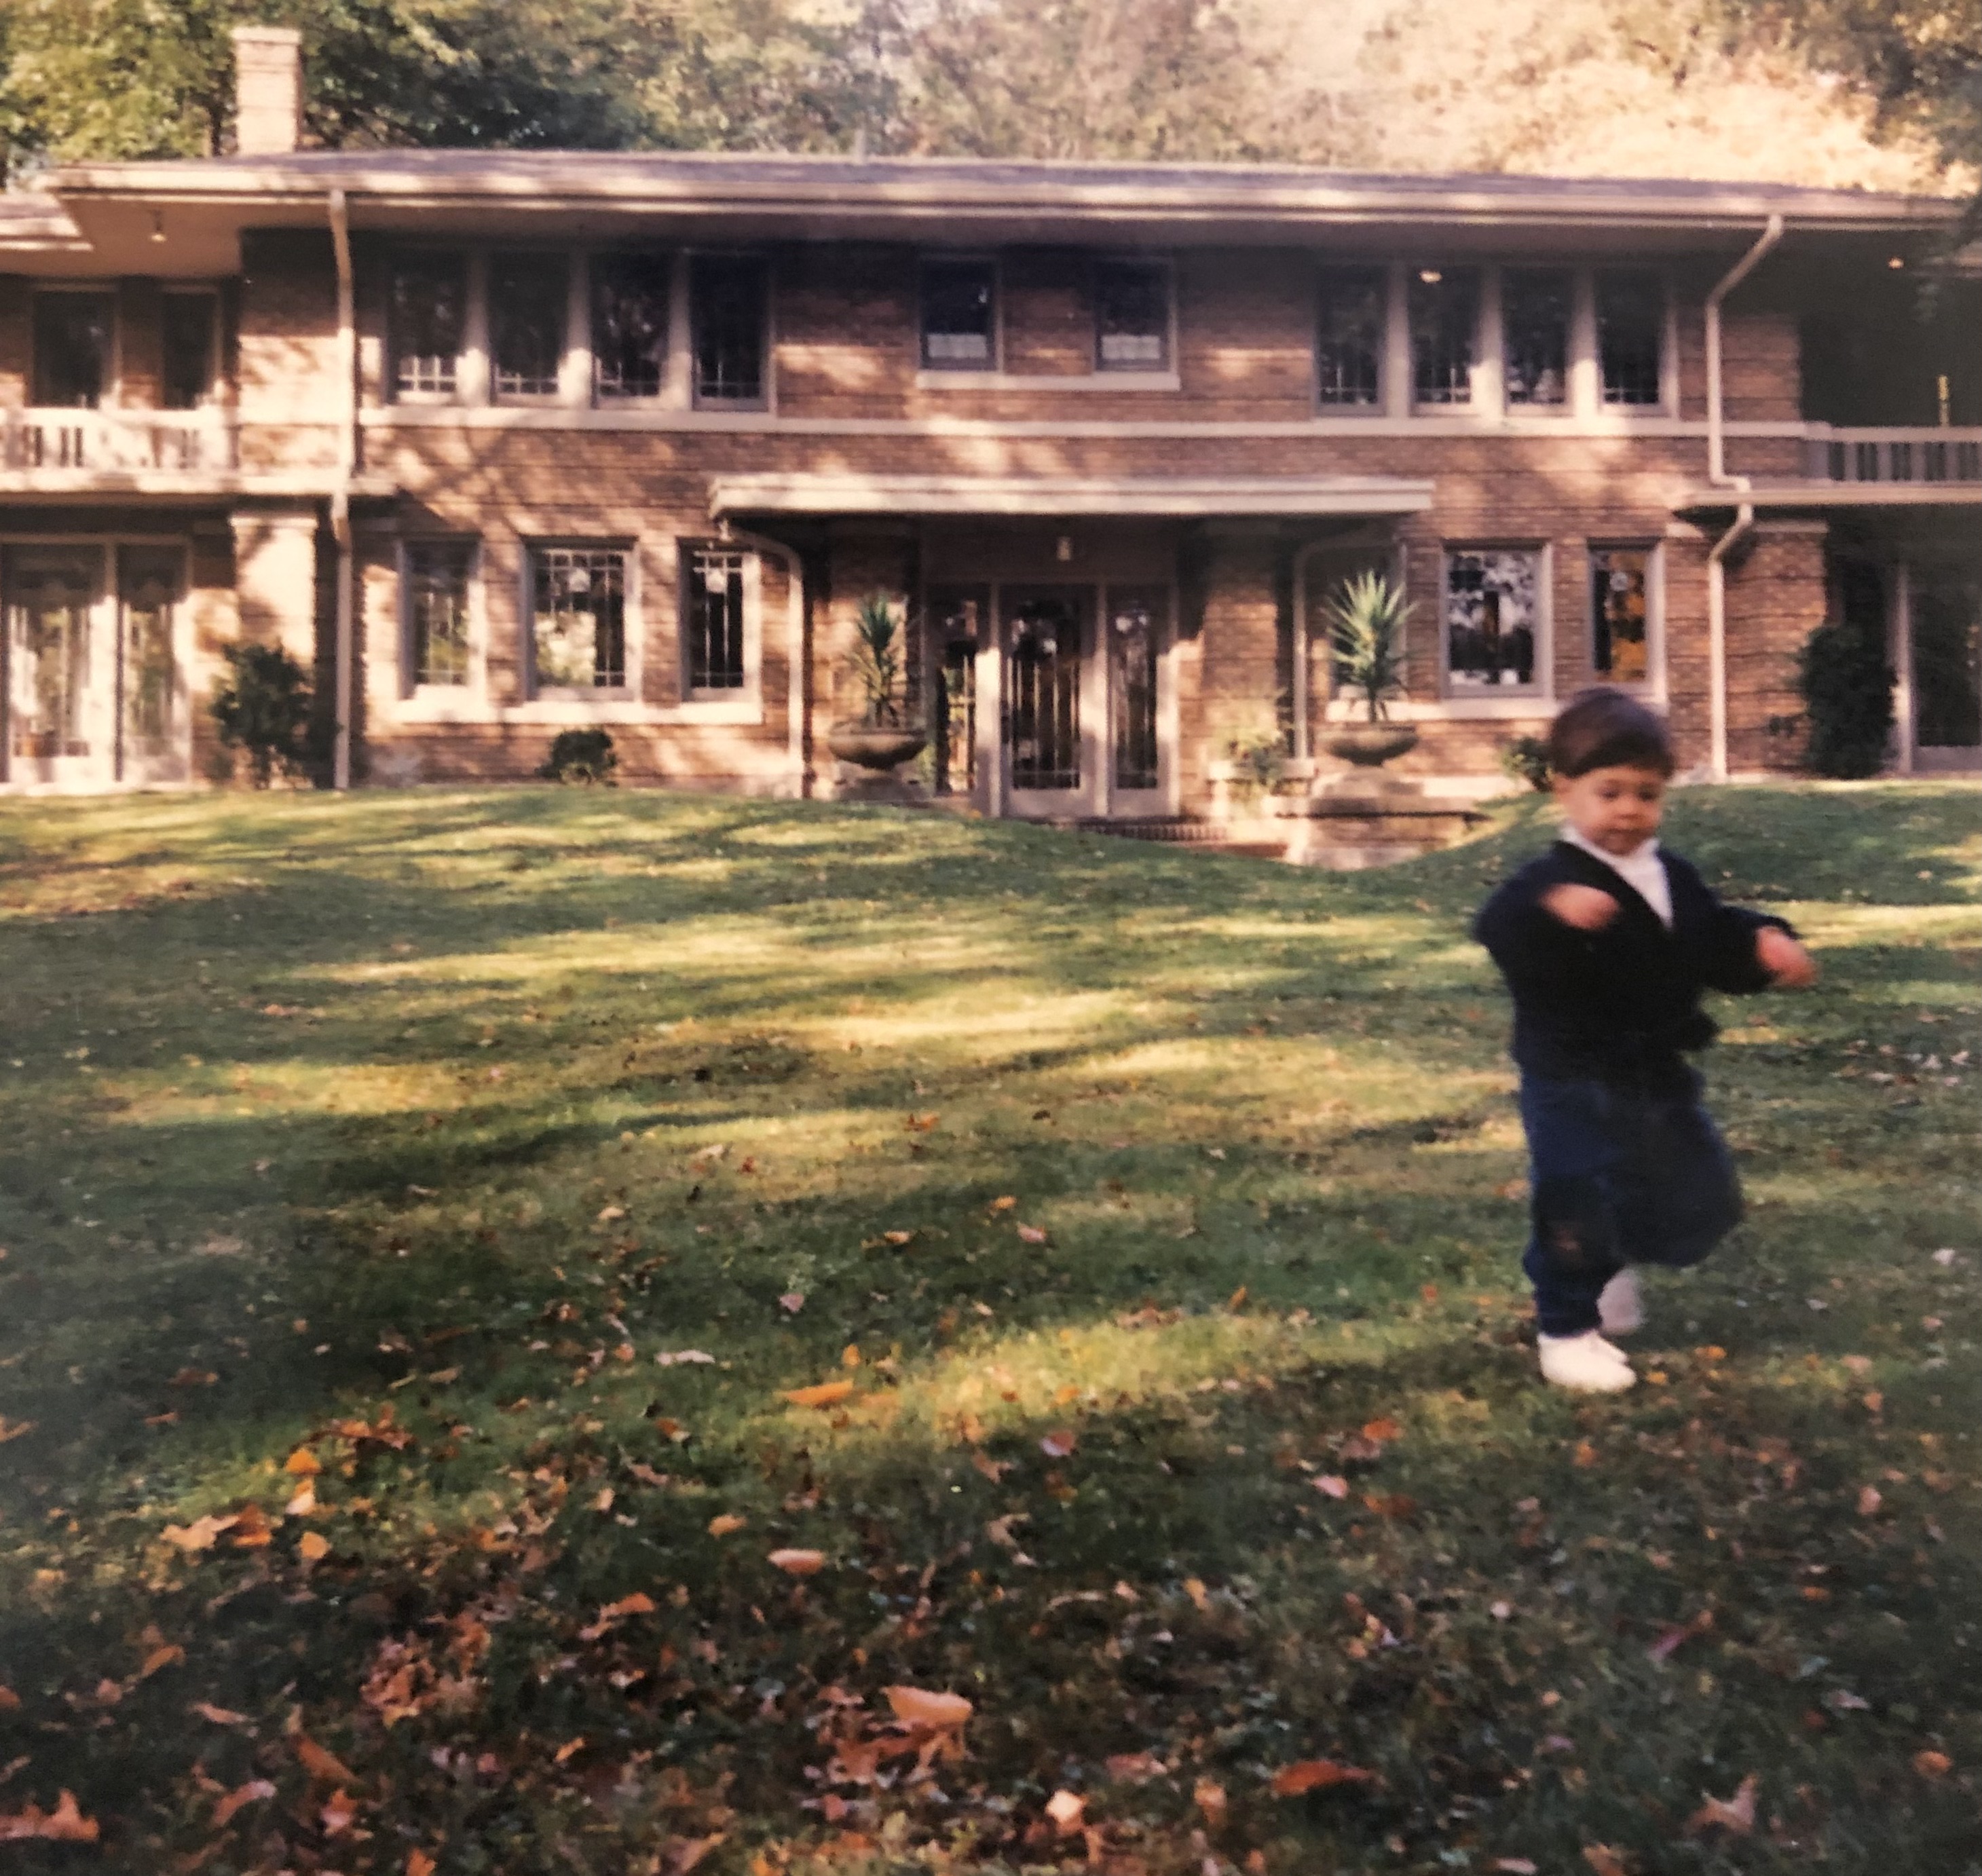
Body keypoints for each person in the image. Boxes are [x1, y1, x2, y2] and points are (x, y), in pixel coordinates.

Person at [1473, 690, 1818, 1392]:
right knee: (1576, 1197)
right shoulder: (1549, 881)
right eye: (1609, 792)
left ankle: (1614, 1259)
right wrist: (1548, 911)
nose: (1629, 810)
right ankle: (1565, 1329)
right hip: (1571, 1075)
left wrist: (1763, 947)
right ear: (1563, 790)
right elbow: (1496, 925)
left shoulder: (1671, 876)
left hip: (1654, 1069)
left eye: (1646, 793)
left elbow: (1708, 937)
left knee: (1701, 1195)